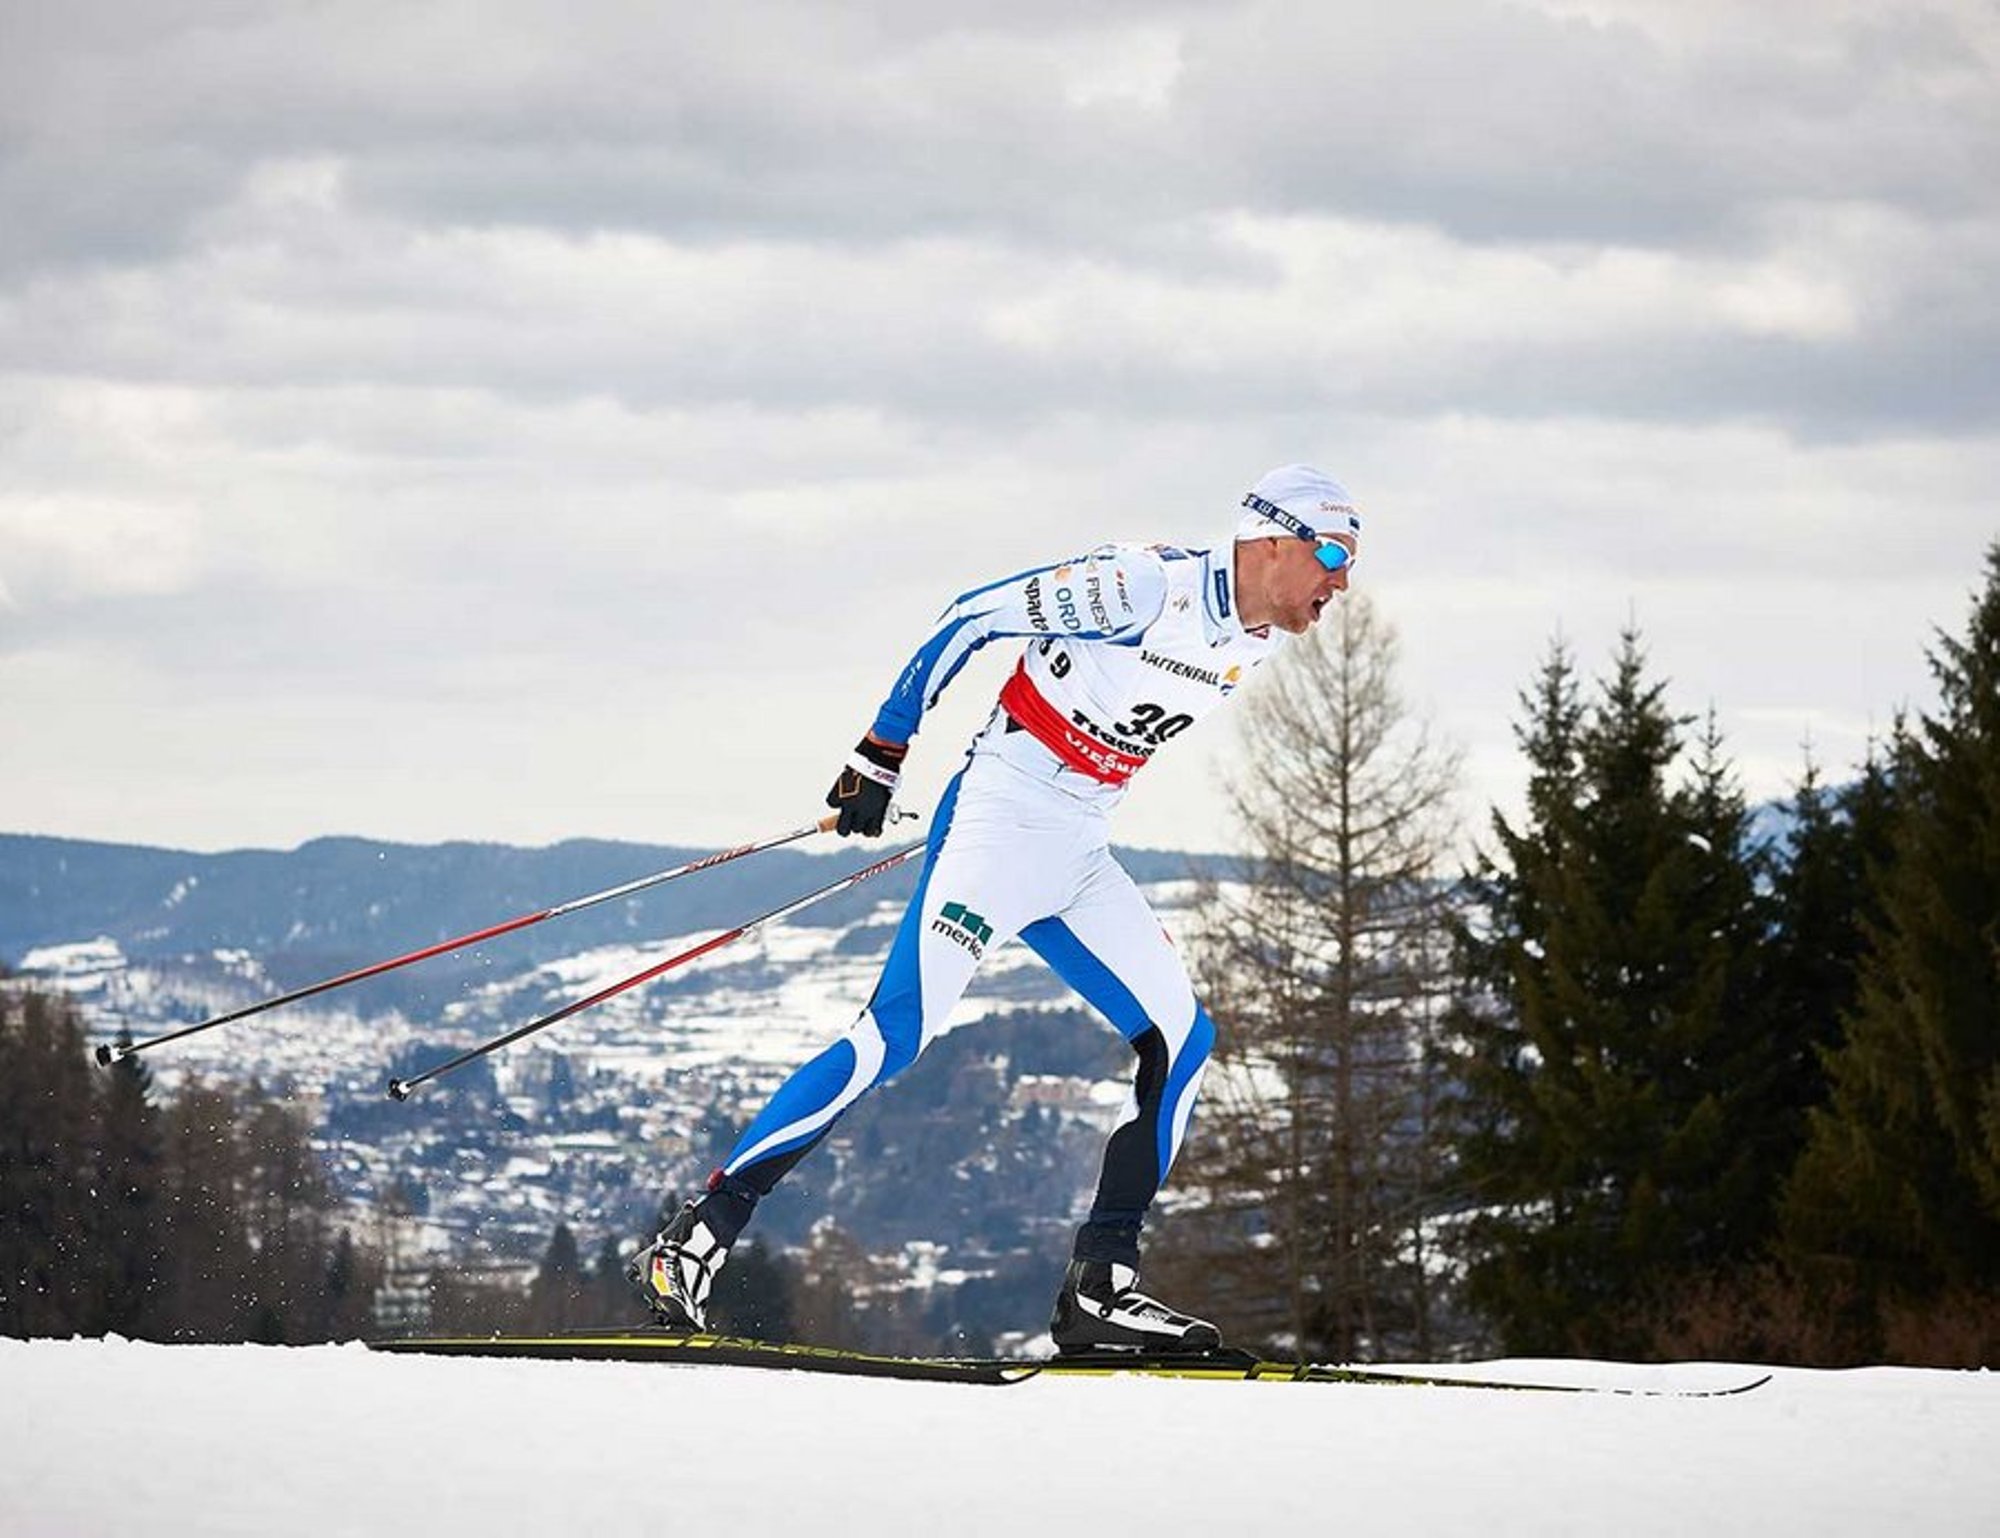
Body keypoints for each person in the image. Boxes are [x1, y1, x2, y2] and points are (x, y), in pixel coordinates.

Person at [631, 464, 1363, 1354]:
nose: (1342, 581)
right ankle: (697, 1237)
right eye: (1332, 553)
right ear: (1271, 538)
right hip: (997, 824)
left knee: (1183, 1040)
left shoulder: (1265, 636)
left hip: (1080, 845)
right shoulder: (1144, 585)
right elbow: (972, 615)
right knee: (897, 1033)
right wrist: (881, 751)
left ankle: (1101, 1289)